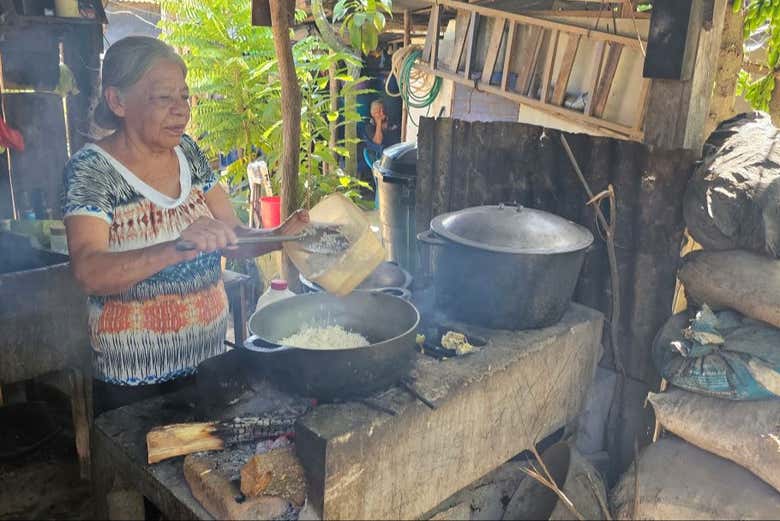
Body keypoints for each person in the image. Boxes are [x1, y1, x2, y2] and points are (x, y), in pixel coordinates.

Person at [62, 36, 308, 415]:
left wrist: (281, 236)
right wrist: (177, 246)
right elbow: (89, 271)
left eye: (185, 96)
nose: (181, 111)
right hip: (135, 384)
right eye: (164, 98)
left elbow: (231, 236)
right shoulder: (92, 170)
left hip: (208, 364)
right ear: (118, 101)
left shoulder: (188, 153)